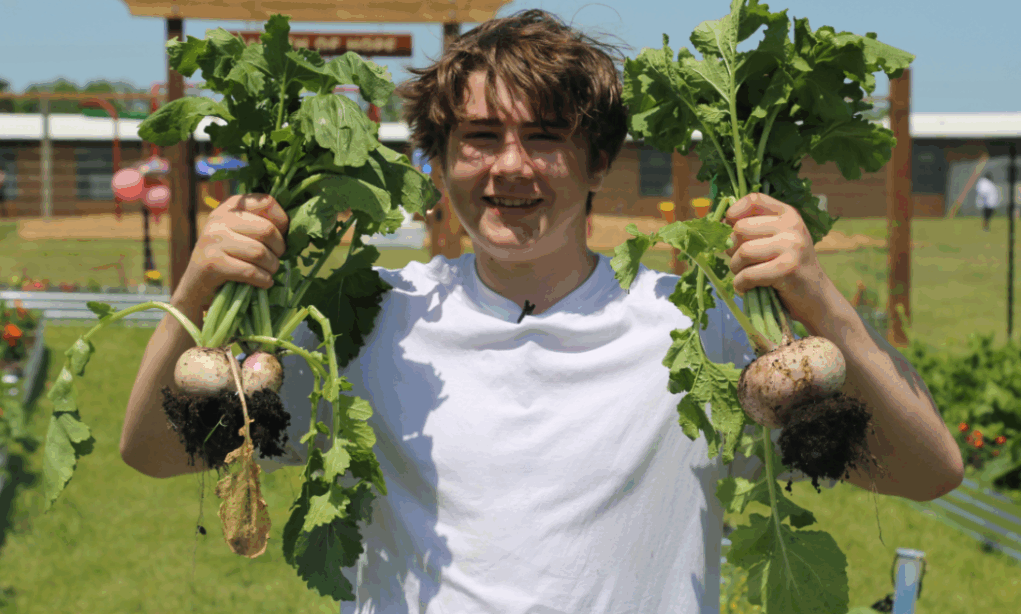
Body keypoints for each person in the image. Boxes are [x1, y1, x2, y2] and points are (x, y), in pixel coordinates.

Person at [119, 10, 963, 613]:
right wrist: (193, 296)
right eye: (479, 138)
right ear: (441, 162)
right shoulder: (375, 320)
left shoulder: (696, 329)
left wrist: (820, 305)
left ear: (597, 161)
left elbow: (927, 473)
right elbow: (157, 453)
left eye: (546, 137)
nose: (509, 167)